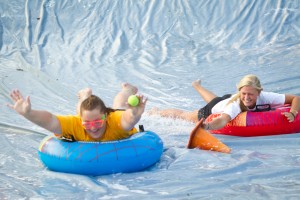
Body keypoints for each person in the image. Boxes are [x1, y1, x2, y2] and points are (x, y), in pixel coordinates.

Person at [149, 74, 300, 131]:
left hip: (225, 100)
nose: (247, 97)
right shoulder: (236, 105)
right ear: (239, 92)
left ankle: (197, 85)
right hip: (215, 108)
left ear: (259, 92)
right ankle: (157, 111)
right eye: (244, 94)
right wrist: (207, 126)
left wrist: (293, 112)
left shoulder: (265, 96)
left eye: (250, 94)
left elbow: (295, 98)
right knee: (185, 115)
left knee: (216, 100)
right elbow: (222, 120)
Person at [7, 83, 147, 141]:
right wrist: (28, 113)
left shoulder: (114, 120)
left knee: (120, 105)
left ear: (105, 116)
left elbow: (128, 120)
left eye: (97, 122)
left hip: (118, 111)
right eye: (87, 123)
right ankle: (85, 96)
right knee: (83, 110)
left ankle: (127, 88)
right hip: (85, 114)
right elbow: (50, 120)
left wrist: (134, 113)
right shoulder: (77, 123)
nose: (93, 127)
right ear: (81, 122)